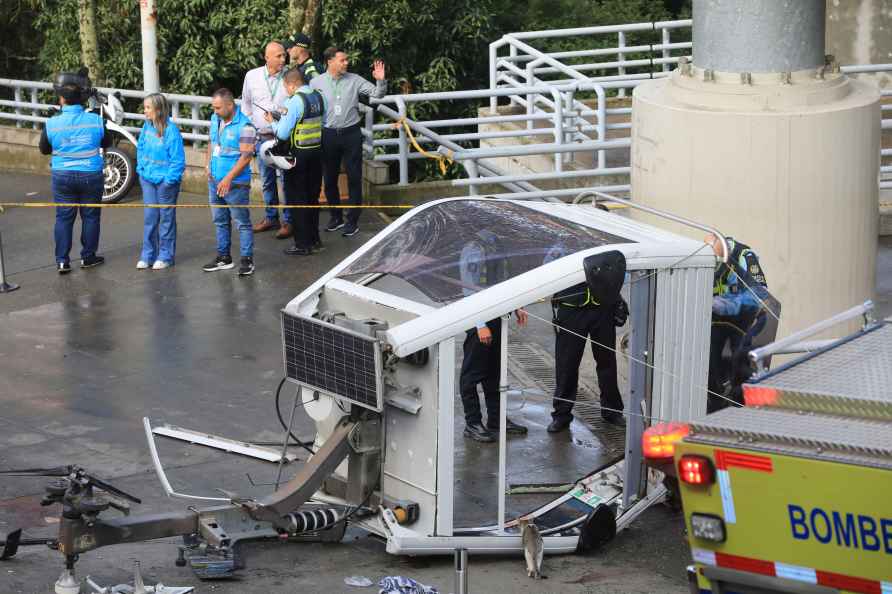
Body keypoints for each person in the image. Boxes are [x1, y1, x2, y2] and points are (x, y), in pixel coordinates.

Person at [458, 231, 529, 443]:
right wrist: (480, 324)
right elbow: (469, 288)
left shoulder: (497, 243)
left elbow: (503, 281)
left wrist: (516, 306)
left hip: (497, 317)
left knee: (494, 373)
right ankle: (472, 423)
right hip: (480, 321)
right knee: (471, 375)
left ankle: (496, 419)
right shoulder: (474, 248)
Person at [38, 70, 111, 274]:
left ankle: (62, 261)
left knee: (63, 218)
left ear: (62, 98)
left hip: (62, 175)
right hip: (91, 174)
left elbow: (44, 149)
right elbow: (107, 142)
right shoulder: (96, 120)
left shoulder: (52, 123)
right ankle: (88, 257)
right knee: (90, 217)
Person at [311, 47, 386, 238]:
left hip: (351, 133)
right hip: (327, 133)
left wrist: (380, 80)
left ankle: (352, 220)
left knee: (354, 176)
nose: (346, 63)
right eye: (342, 60)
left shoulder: (355, 79)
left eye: (346, 60)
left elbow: (378, 94)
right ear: (330, 61)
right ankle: (336, 217)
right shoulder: (315, 82)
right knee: (329, 178)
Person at [548, 279, 626, 433]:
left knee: (607, 362)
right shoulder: (561, 253)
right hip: (570, 308)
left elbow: (617, 271)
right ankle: (561, 415)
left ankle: (612, 411)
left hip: (603, 308)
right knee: (567, 364)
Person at [705, 233, 770, 412]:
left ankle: (742, 405)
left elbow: (760, 293)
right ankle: (716, 404)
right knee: (708, 358)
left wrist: (726, 304)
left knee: (740, 359)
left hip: (749, 318)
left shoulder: (744, 257)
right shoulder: (707, 260)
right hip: (722, 320)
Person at [266, 67, 324, 256]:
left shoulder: (294, 101)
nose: (286, 91)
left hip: (298, 156)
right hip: (316, 152)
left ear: (292, 85)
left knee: (297, 200)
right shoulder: (318, 97)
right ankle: (315, 240)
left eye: (286, 87)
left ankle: (302, 244)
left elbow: (282, 133)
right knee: (313, 198)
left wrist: (272, 122)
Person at [203, 88, 256, 277]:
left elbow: (246, 157)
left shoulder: (246, 126)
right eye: (214, 107)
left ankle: (247, 260)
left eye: (218, 108)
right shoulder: (215, 119)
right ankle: (224, 257)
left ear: (230, 105)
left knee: (242, 222)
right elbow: (211, 142)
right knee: (220, 220)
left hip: (236, 184)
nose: (215, 111)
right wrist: (207, 164)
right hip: (215, 180)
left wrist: (228, 178)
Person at [242, 41, 292, 239]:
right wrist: (250, 133)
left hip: (284, 137)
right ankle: (271, 217)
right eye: (279, 56)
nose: (283, 59)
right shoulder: (252, 76)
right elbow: (245, 104)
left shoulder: (290, 76)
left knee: (287, 180)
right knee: (267, 180)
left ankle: (289, 220)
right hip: (262, 137)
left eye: (284, 56)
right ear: (267, 57)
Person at [135, 92, 186, 270]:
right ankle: (148, 255)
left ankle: (165, 256)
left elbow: (178, 160)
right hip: (148, 179)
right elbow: (140, 148)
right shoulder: (146, 126)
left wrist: (168, 181)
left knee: (166, 219)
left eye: (148, 107)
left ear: (158, 110)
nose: (145, 111)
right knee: (150, 217)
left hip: (165, 183)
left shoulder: (171, 131)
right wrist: (141, 170)